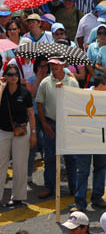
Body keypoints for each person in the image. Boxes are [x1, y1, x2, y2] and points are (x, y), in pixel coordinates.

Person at [36, 56, 78, 199]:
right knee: (50, 157)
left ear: (63, 65)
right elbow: (39, 105)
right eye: (52, 65)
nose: (54, 67)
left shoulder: (72, 82)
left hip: (68, 124)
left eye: (57, 65)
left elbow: (77, 103)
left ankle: (74, 186)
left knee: (71, 157)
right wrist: (45, 125)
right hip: (51, 123)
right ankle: (49, 187)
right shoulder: (45, 82)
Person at [74, 74, 106, 211]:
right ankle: (79, 202)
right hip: (84, 139)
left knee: (100, 168)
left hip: (101, 138)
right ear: (100, 85)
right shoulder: (82, 94)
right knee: (83, 171)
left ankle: (97, 197)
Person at [0, 63, 35, 207]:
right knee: (1, 164)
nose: (13, 77)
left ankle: (18, 197)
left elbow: (31, 113)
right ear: (5, 76)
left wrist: (33, 132)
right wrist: (1, 88)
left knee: (20, 164)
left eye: (15, 74)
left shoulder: (24, 92)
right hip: (3, 130)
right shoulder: (1, 90)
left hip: (21, 131)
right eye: (10, 74)